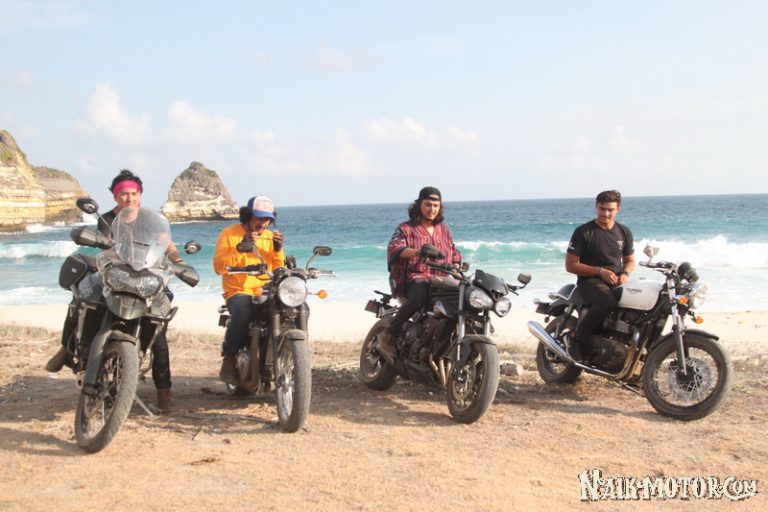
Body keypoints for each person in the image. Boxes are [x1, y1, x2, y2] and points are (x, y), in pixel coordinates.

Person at [45, 169, 183, 413]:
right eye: (123, 194)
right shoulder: (108, 219)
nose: (129, 198)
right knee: (81, 297)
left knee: (158, 328)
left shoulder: (150, 219)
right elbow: (104, 244)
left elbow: (167, 245)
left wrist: (179, 262)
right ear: (115, 196)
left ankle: (164, 392)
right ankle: (66, 349)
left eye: (133, 193)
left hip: (144, 276)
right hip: (116, 273)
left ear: (140, 195)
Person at [379, 186, 462, 364]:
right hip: (414, 278)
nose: (432, 209)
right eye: (428, 204)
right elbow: (394, 248)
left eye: (435, 205)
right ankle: (389, 334)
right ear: (419, 205)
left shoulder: (444, 230)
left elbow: (454, 252)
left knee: (465, 295)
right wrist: (418, 251)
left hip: (441, 279)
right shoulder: (406, 228)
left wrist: (456, 265)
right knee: (421, 293)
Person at [213, 195, 285, 383]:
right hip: (239, 290)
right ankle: (229, 359)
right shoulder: (229, 234)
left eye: (267, 219)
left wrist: (278, 250)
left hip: (266, 289)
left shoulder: (269, 236)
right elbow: (219, 267)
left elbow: (278, 268)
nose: (263, 223)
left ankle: (291, 356)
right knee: (243, 312)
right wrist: (241, 247)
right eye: (259, 217)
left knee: (295, 308)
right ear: (248, 215)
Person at [565, 189, 635, 361]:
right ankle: (576, 339)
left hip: (616, 281)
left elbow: (630, 260)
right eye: (602, 209)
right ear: (596, 207)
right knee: (607, 301)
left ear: (618, 209)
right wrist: (600, 271)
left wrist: (626, 273)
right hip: (590, 281)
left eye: (610, 210)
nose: (605, 213)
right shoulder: (583, 232)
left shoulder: (624, 232)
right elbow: (570, 265)